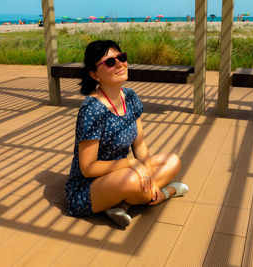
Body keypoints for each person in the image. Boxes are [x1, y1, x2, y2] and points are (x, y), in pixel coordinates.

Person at [65, 40, 188, 228]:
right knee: (132, 179)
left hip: (120, 174)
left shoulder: (130, 96)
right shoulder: (92, 109)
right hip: (89, 186)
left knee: (173, 161)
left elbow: (139, 144)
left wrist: (145, 170)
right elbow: (88, 168)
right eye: (110, 62)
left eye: (121, 57)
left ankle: (124, 203)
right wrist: (131, 163)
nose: (120, 64)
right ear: (94, 74)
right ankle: (166, 193)